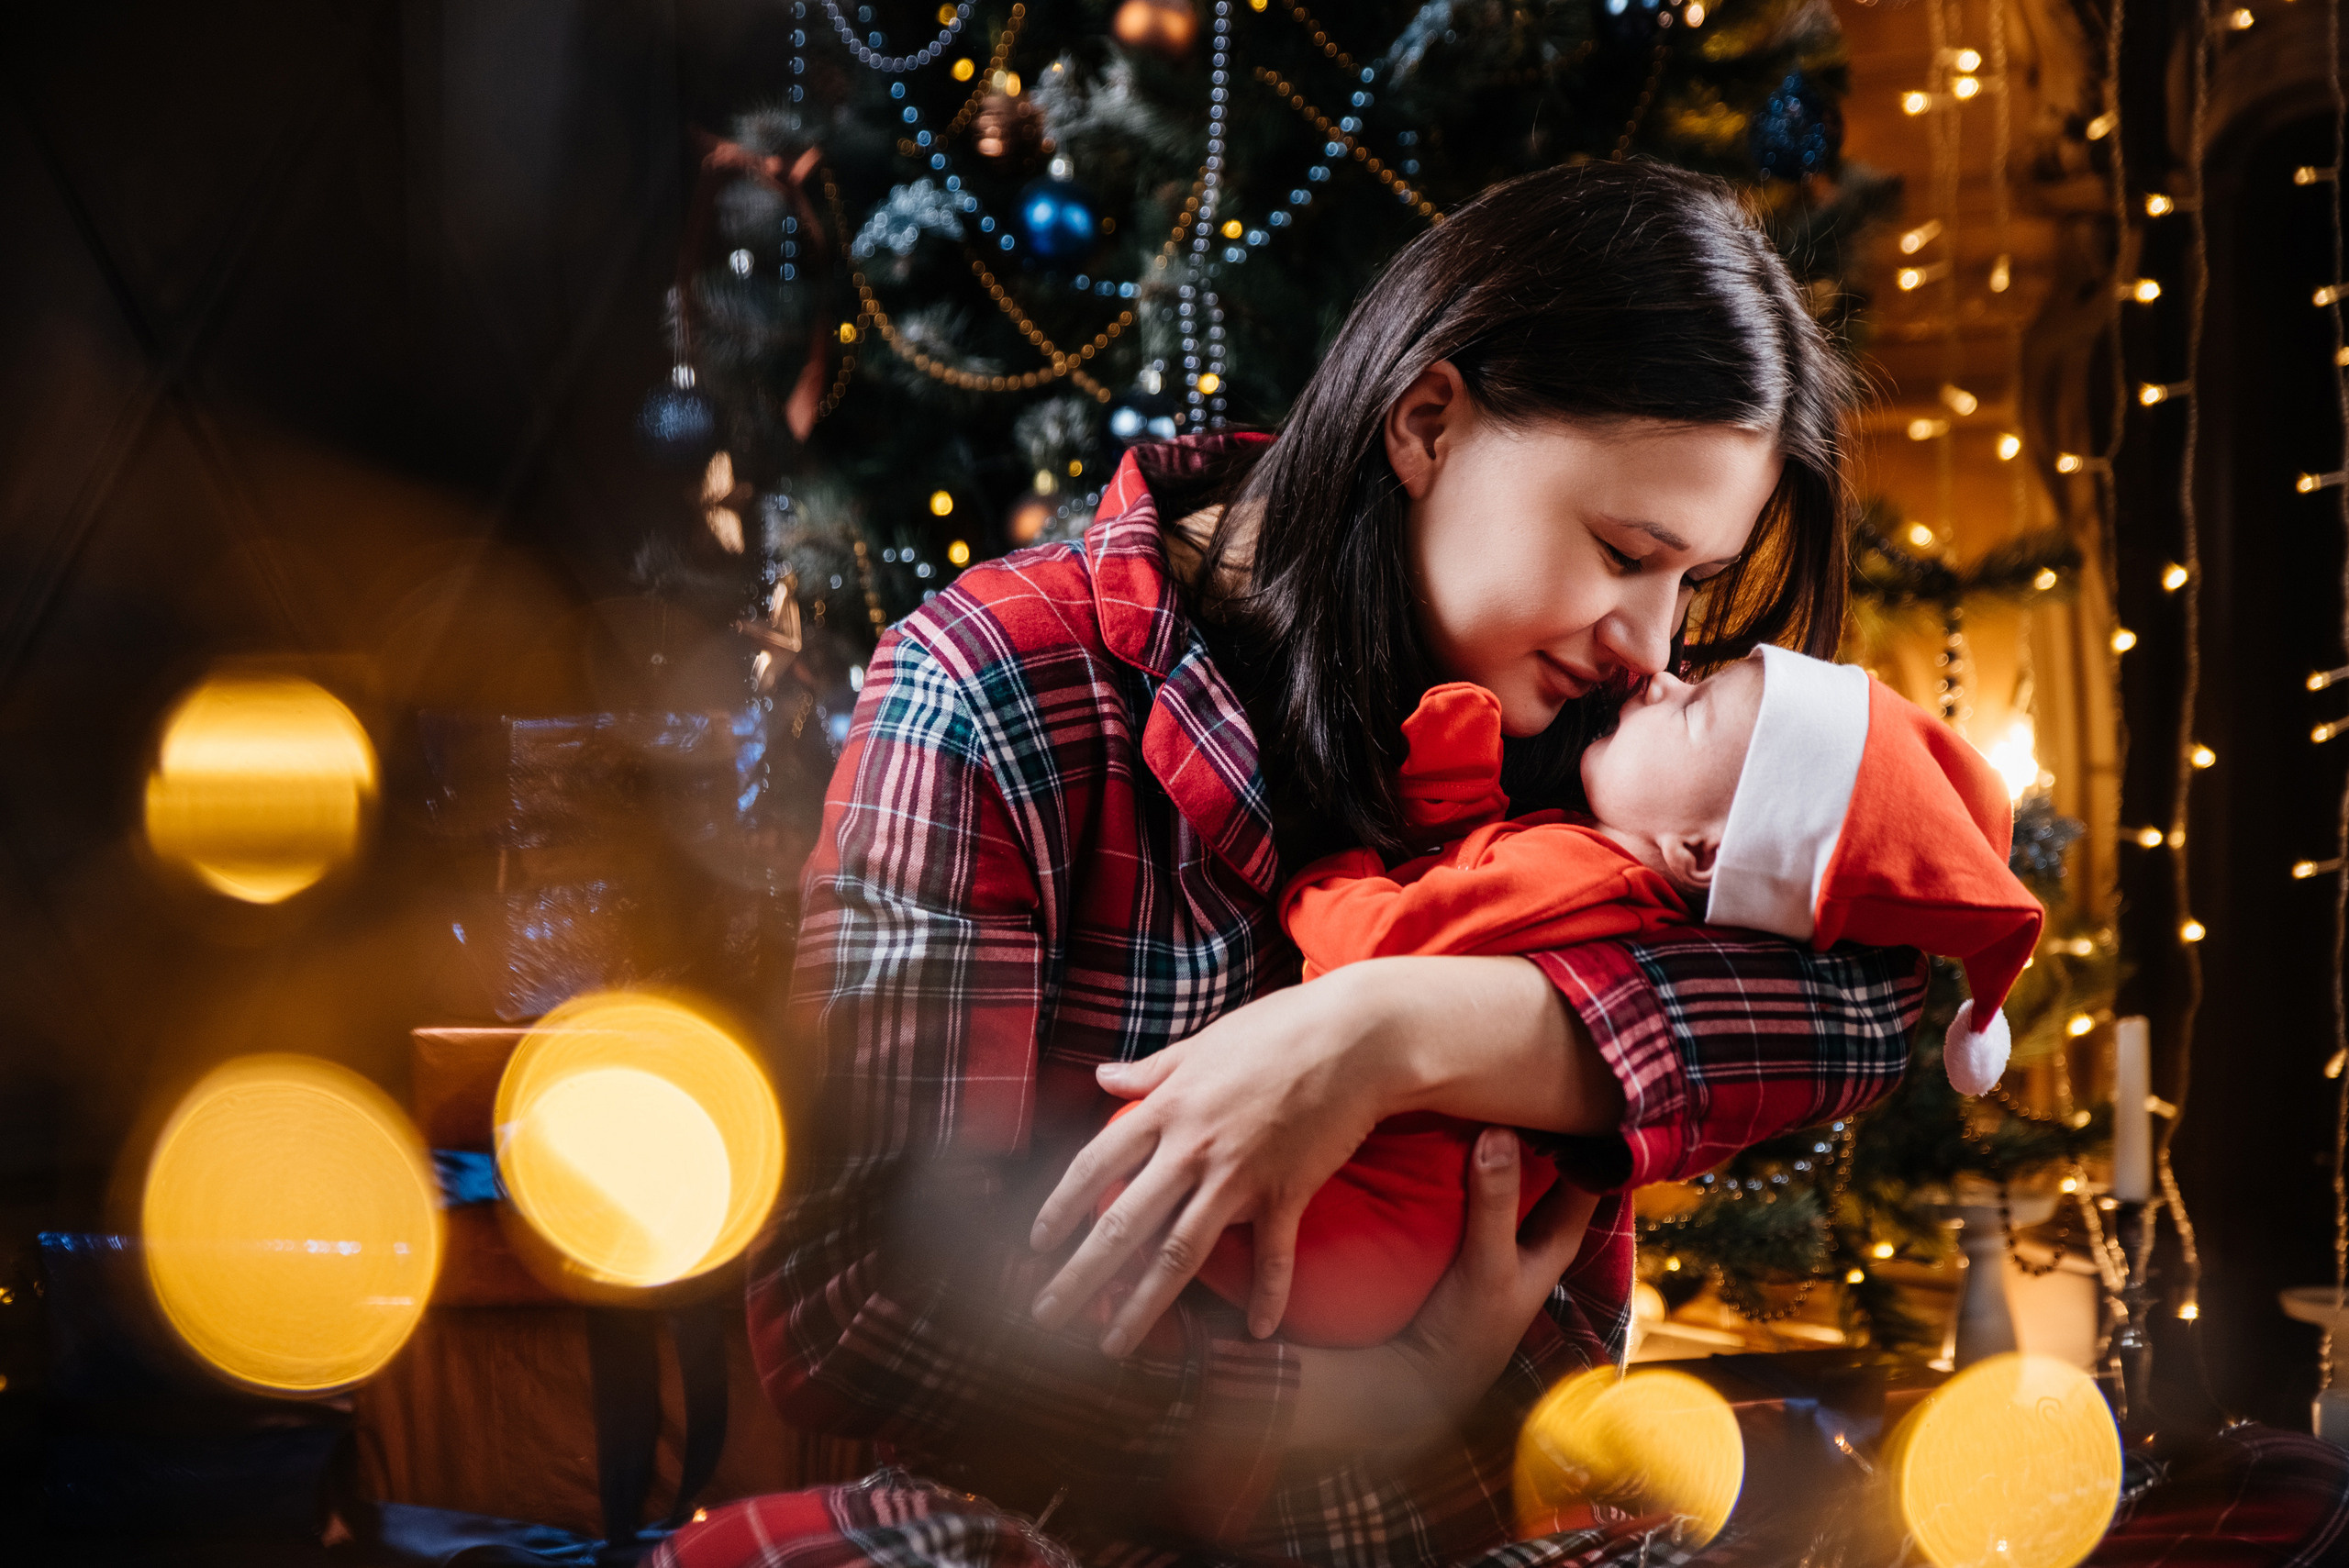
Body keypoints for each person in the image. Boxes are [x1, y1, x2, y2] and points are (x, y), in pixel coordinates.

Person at [662, 161, 1929, 1568]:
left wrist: (1391, 1032)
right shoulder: (998, 687)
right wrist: (1358, 1399)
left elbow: (1880, 987)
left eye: (1690, 584)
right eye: (1626, 551)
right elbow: (853, 1303)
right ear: (1429, 421)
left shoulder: (1594, 739)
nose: (1650, 641)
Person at [1154, 649, 2042, 1350]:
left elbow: (1386, 946)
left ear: (1702, 851)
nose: (1658, 677)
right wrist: (1457, 791)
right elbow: (1478, 889)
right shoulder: (1621, 889)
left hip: (1340, 1229)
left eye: (1692, 710)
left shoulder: (1582, 874)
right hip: (1379, 1263)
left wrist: (1330, 868)